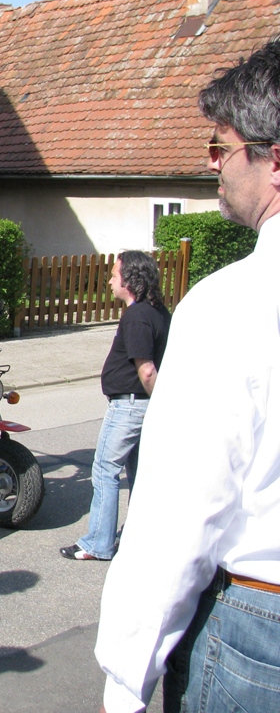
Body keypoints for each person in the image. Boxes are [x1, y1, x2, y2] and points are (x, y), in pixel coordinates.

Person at [94, 37, 280, 713]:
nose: (212, 165)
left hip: (257, 630)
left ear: (274, 161)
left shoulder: (233, 303)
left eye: (221, 148)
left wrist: (125, 680)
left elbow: (178, 517)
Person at [59, 251, 170, 561]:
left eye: (113, 275)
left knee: (105, 470)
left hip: (130, 406)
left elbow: (146, 370)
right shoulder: (160, 312)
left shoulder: (137, 315)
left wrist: (161, 406)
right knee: (139, 473)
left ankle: (98, 543)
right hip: (143, 405)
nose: (109, 281)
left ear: (130, 280)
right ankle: (139, 537)